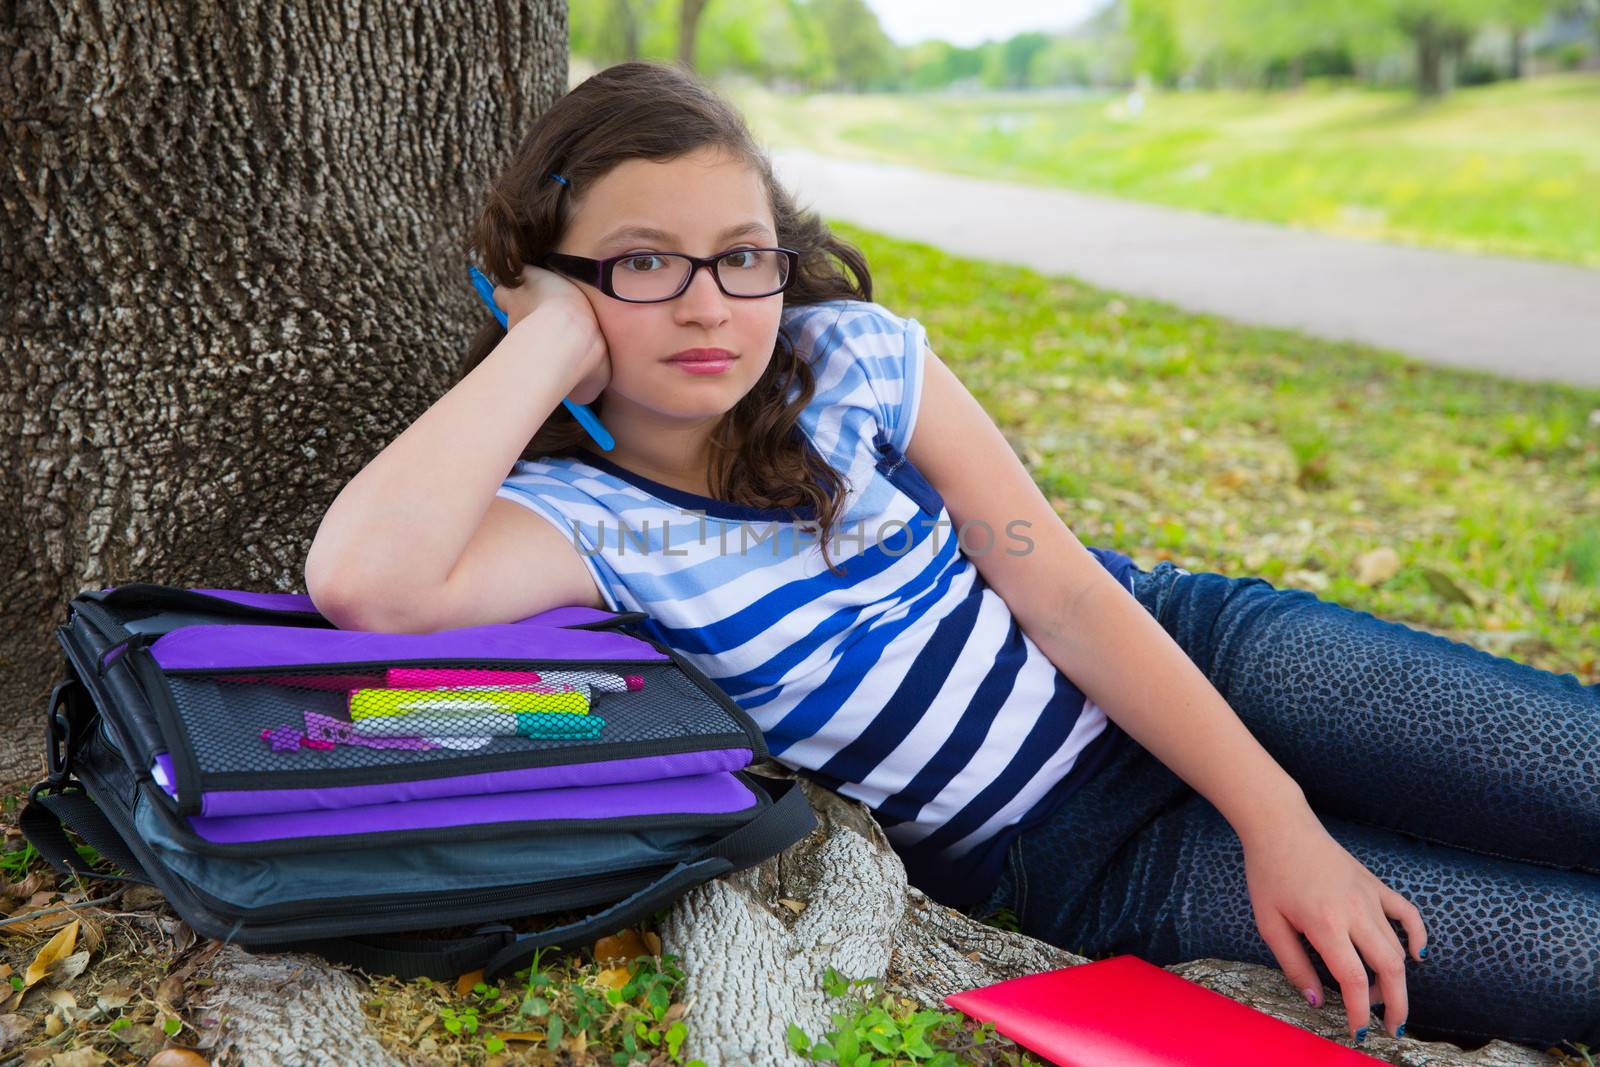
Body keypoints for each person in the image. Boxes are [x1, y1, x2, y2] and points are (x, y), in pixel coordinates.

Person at [302, 61, 1600, 1052]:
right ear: (559, 286)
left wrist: (1282, 820)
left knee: (1572, 768)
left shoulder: (851, 362)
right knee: (1573, 957)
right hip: (1090, 862)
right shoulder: (583, 523)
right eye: (643, 264)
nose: (709, 306)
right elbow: (371, 584)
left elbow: (1062, 589)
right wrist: (540, 344)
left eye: (740, 257)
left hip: (1196, 660)